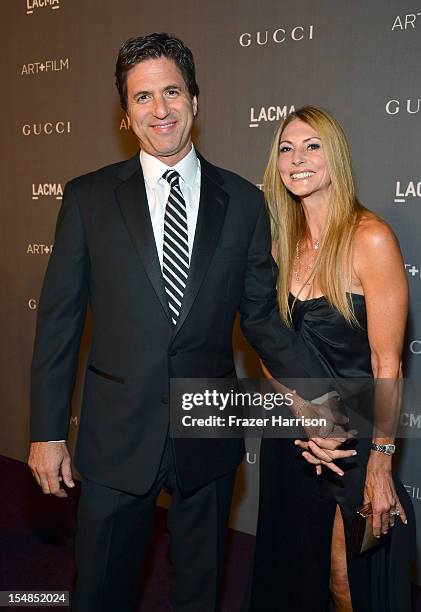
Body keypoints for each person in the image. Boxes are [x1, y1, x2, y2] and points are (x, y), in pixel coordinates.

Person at [27, 36, 343, 612]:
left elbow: (264, 321)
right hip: (117, 435)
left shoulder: (245, 203)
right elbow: (58, 325)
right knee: (99, 590)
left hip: (208, 429)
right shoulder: (88, 198)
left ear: (195, 99)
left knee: (201, 589)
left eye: (172, 91)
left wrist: (322, 398)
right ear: (126, 114)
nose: (160, 109)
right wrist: (47, 433)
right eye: (142, 97)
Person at [247, 106, 414, 612]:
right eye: (286, 148)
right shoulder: (277, 245)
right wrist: (302, 411)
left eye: (312, 145)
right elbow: (266, 350)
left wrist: (381, 463)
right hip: (294, 433)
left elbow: (389, 364)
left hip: (354, 439)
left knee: (346, 582)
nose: (297, 158)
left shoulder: (370, 238)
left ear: (335, 155)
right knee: (295, 575)